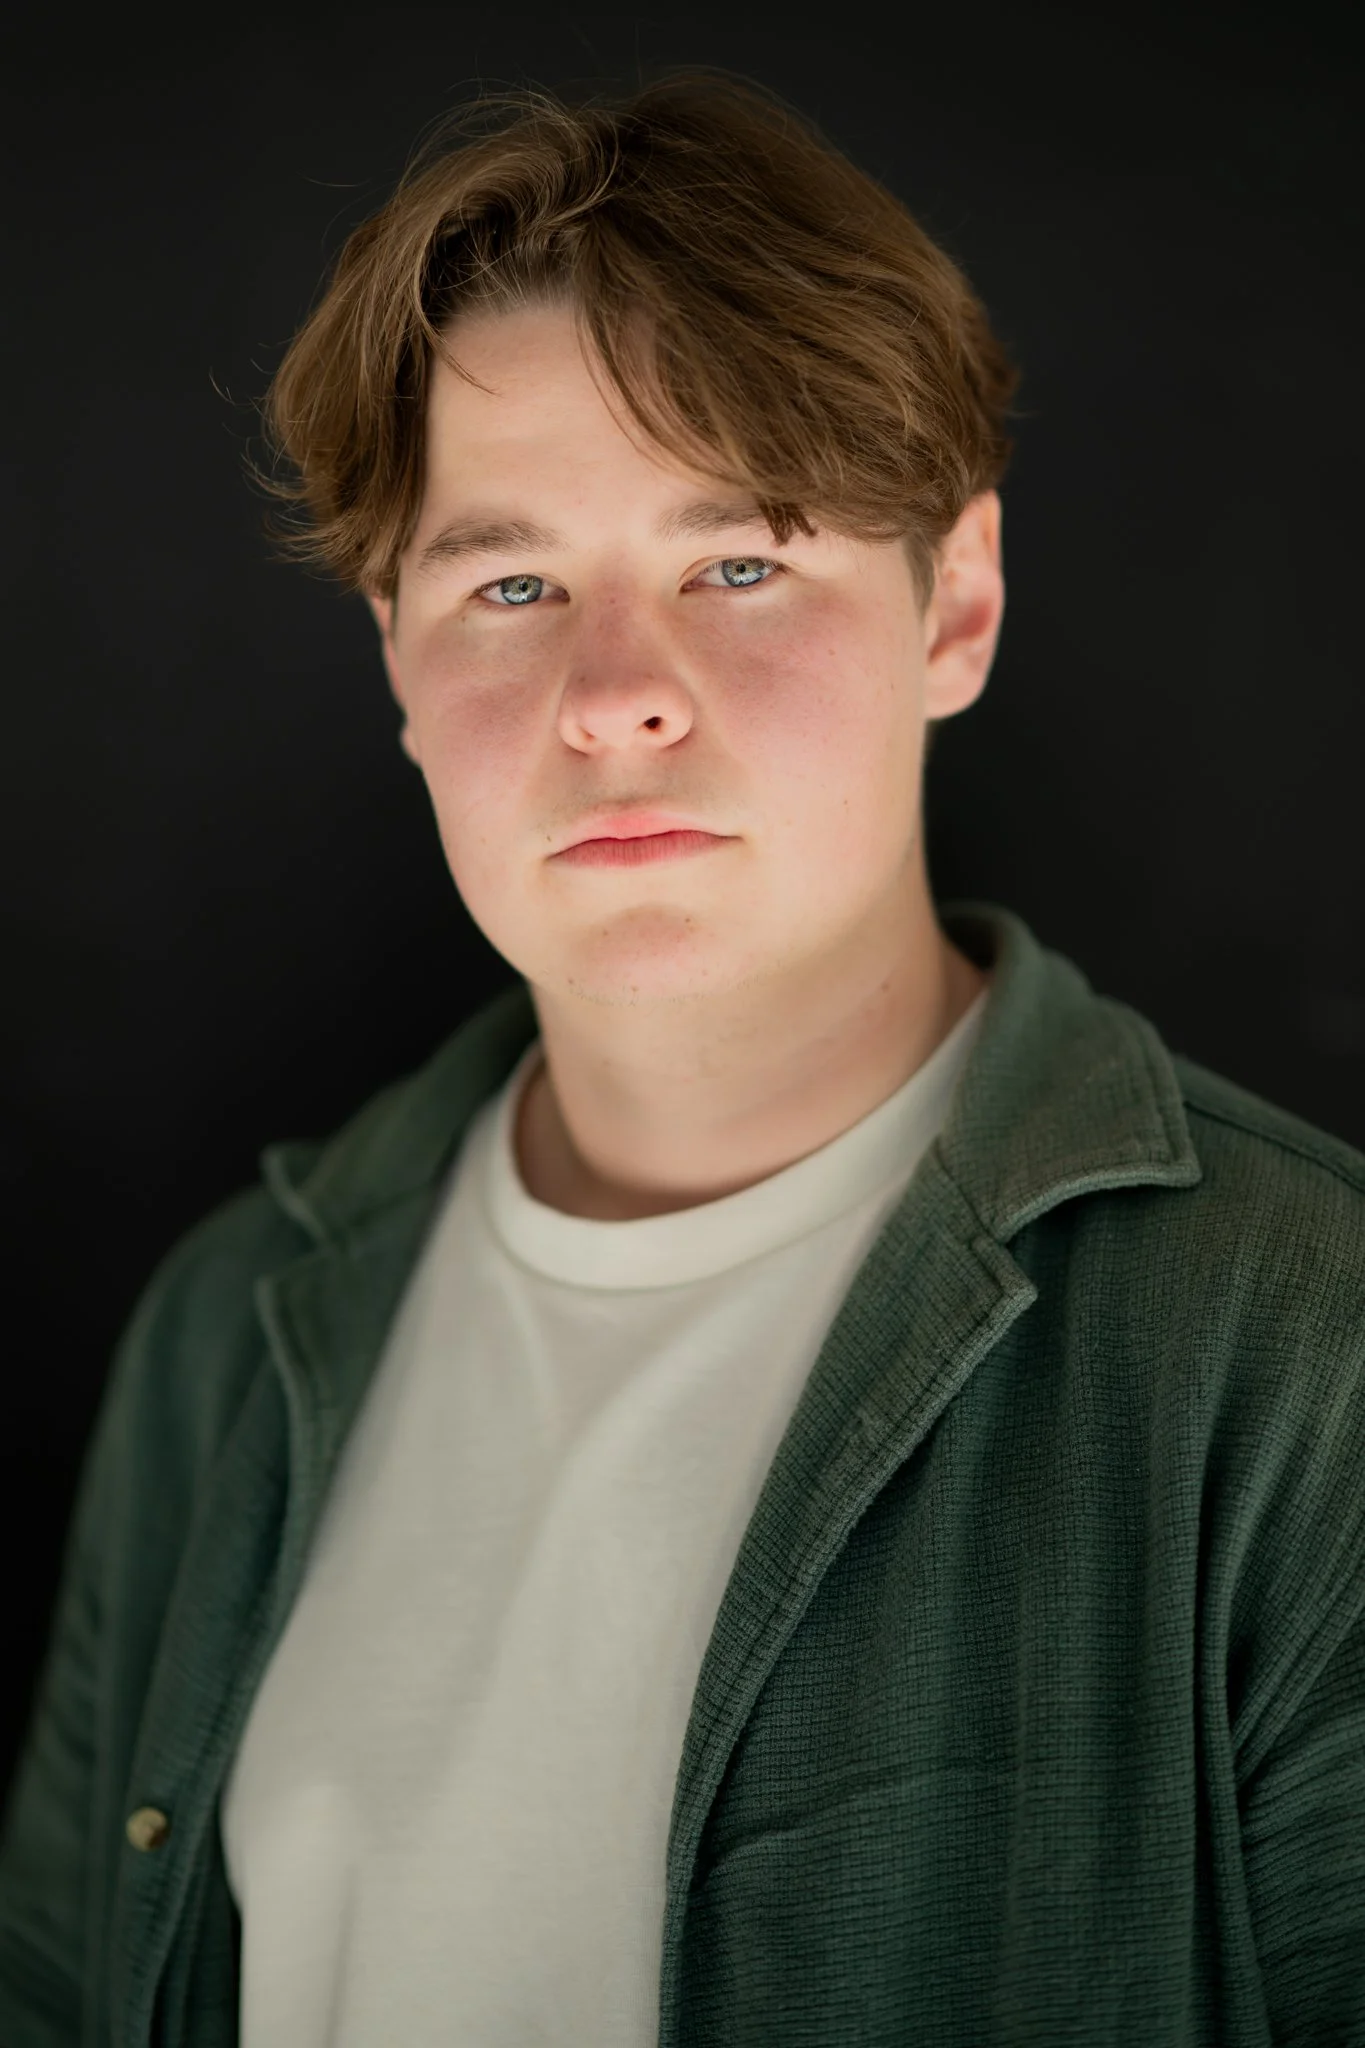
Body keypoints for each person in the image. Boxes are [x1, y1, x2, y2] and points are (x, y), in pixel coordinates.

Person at [1, 68, 1361, 2048]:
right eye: (512, 583)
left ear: (952, 606)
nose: (615, 695)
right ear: (398, 658)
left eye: (741, 561)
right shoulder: (226, 1343)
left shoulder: (1303, 1353)